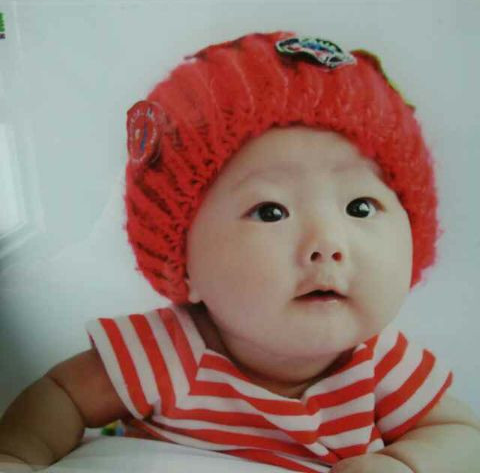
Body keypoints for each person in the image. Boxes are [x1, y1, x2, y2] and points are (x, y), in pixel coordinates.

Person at [0, 31, 479, 473]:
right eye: (271, 211)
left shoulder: (378, 363)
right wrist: (19, 455)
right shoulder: (168, 352)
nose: (328, 243)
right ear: (182, 262)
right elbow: (62, 396)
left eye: (360, 207)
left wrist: (405, 463)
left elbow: (462, 434)